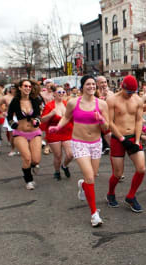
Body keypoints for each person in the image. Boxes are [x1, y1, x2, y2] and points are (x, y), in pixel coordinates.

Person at [50, 76, 109, 227]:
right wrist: (58, 127)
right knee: (90, 178)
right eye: (88, 84)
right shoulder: (73, 102)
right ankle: (94, 214)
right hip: (79, 142)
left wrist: (101, 119)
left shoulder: (102, 104)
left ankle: (82, 185)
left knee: (93, 176)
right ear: (82, 87)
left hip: (96, 143)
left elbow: (106, 127)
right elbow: (66, 117)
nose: (91, 86)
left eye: (93, 84)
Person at [106, 75, 146, 213]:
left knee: (141, 169)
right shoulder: (112, 100)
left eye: (133, 92)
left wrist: (136, 140)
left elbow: (139, 120)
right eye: (128, 92)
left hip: (133, 137)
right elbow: (110, 122)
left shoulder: (138, 100)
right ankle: (110, 193)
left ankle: (131, 196)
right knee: (118, 174)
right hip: (118, 139)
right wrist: (122, 139)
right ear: (122, 87)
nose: (131, 95)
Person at [7, 80, 42, 190]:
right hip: (20, 133)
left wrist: (37, 120)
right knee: (27, 158)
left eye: (29, 86)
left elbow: (39, 115)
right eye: (25, 86)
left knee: (35, 160)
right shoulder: (15, 101)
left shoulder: (35, 100)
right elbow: (9, 117)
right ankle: (29, 180)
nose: (28, 88)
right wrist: (13, 124)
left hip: (34, 132)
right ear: (20, 88)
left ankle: (32, 165)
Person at [41, 86, 74, 181]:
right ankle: (57, 171)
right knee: (58, 155)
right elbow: (42, 119)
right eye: (59, 91)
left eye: (63, 91)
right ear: (54, 93)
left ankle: (64, 166)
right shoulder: (49, 106)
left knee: (70, 154)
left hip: (67, 132)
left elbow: (74, 118)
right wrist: (51, 114)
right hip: (54, 133)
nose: (62, 93)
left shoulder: (67, 104)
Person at [0, 85, 18, 156]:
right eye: (13, 89)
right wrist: (3, 112)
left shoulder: (21, 97)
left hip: (20, 118)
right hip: (11, 118)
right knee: (12, 135)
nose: (14, 90)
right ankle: (13, 150)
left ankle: (21, 149)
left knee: (22, 135)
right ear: (10, 89)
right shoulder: (6, 97)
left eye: (15, 89)